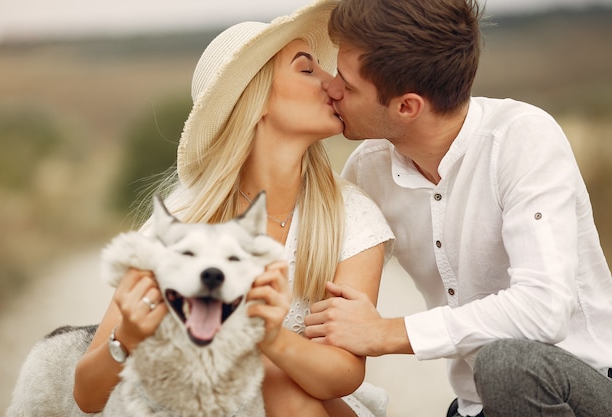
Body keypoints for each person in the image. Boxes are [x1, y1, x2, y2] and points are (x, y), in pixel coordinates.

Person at [73, 1, 395, 416]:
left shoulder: (351, 215)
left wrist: (266, 336)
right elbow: (86, 396)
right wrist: (128, 338)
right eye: (307, 69)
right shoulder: (184, 220)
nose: (334, 83)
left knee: (279, 382)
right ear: (256, 100)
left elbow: (342, 376)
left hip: (313, 406)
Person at [303, 0, 612, 416]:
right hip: (474, 407)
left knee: (507, 364)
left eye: (348, 83)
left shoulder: (522, 138)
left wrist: (386, 333)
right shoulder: (367, 170)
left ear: (407, 106)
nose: (331, 88)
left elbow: (544, 310)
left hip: (587, 389)